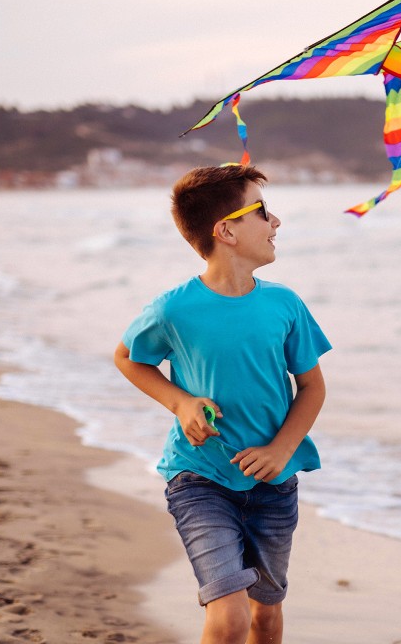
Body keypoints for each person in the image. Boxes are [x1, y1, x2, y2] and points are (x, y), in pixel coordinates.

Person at [114, 164, 330, 644]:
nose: (276, 223)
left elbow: (313, 387)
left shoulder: (285, 305)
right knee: (229, 617)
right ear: (226, 230)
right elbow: (128, 357)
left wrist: (280, 451)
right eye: (263, 211)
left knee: (266, 618)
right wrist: (182, 402)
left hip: (273, 486)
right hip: (199, 478)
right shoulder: (173, 308)